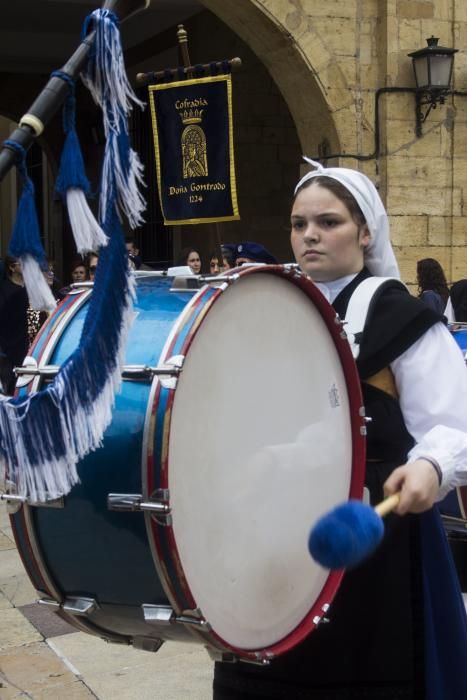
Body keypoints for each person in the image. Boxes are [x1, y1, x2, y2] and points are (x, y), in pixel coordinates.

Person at [213, 161, 467, 699]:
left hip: (375, 542)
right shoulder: (259, 308)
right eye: (298, 223)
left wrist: (431, 464)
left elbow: (454, 422)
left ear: (366, 231)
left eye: (328, 222)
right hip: (271, 537)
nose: (309, 235)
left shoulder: (399, 317)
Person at [0, 256, 29, 394]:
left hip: (31, 349)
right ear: (12, 267)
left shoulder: (31, 289)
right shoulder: (3, 291)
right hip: (10, 352)